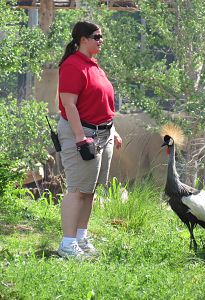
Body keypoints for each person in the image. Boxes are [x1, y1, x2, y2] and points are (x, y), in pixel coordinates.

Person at [57, 21, 122, 258]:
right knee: (77, 190)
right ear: (83, 39)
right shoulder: (73, 65)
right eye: (97, 36)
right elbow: (69, 105)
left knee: (90, 189)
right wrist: (80, 137)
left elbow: (100, 102)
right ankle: (67, 244)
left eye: (101, 36)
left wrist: (112, 130)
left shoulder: (93, 65)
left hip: (102, 133)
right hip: (83, 134)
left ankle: (80, 239)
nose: (101, 40)